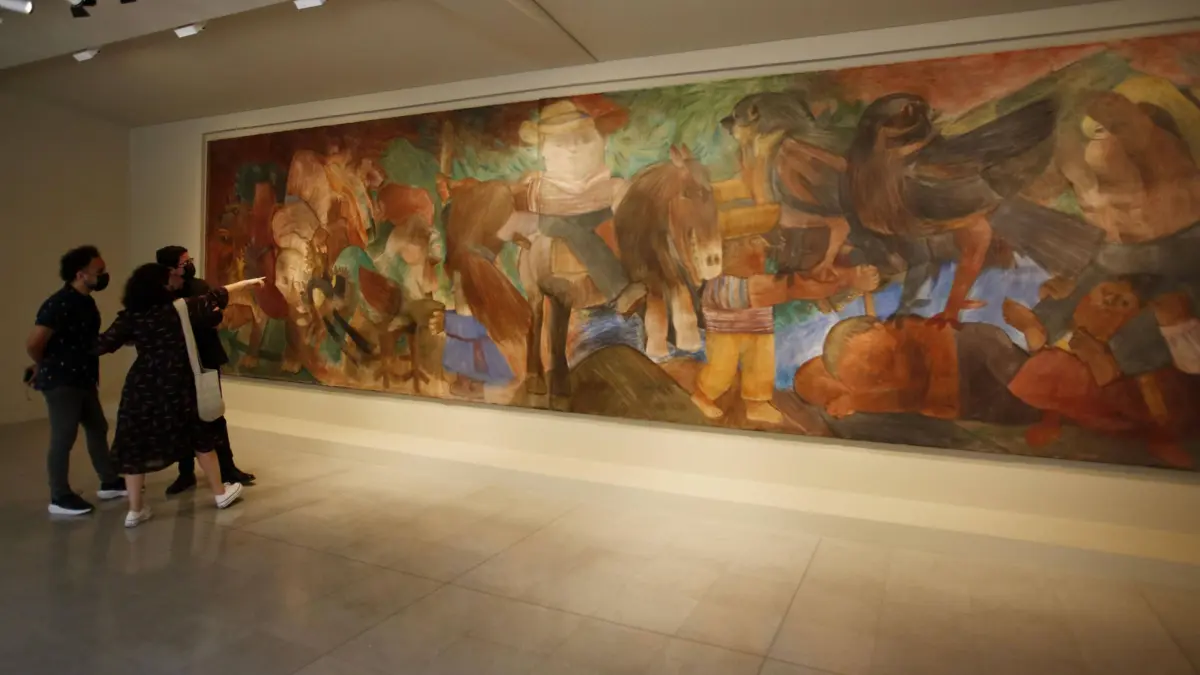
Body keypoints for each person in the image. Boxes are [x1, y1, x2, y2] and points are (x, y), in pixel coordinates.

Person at [96, 263, 265, 527]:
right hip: (177, 382)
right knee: (199, 435)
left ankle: (135, 509)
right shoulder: (181, 308)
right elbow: (219, 295)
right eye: (171, 276)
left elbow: (102, 344)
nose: (177, 277)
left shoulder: (131, 316)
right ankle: (220, 492)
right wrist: (248, 283)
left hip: (141, 386)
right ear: (161, 285)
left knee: (135, 442)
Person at [26, 246, 127, 516]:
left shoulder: (86, 302)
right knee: (64, 436)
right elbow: (34, 342)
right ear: (81, 274)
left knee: (97, 426)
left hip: (83, 377)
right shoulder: (58, 303)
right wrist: (43, 363)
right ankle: (59, 496)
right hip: (62, 381)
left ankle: (109, 481)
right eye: (99, 271)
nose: (104, 275)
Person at [155, 246, 257, 495]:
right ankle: (185, 472)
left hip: (206, 358)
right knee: (182, 416)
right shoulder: (160, 294)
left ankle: (227, 468)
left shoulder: (199, 286)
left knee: (213, 413)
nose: (190, 264)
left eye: (189, 260)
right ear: (170, 269)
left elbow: (214, 315)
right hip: (179, 362)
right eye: (184, 262)